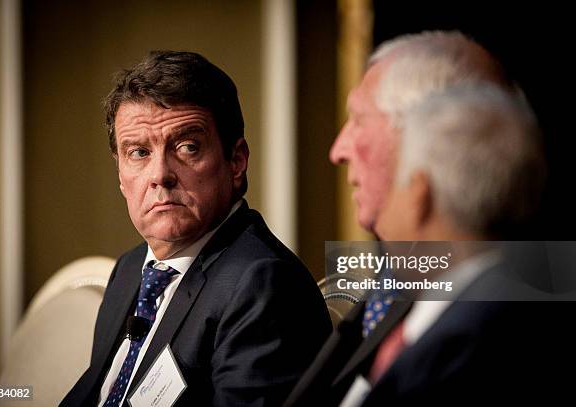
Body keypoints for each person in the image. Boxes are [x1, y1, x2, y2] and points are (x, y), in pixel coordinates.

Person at [62, 51, 332, 407]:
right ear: (120, 177)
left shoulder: (263, 284)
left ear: (236, 161)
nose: (160, 174)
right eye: (139, 152)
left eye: (187, 147)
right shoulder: (129, 270)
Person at [283, 31, 526, 406]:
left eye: (358, 118)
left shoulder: (499, 322)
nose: (338, 149)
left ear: (432, 132)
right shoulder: (399, 277)